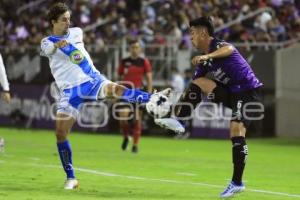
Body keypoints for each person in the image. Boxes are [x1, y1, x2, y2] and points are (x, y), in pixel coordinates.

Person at [41, 3, 167, 189]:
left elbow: (77, 53)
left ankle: (153, 99)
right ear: (53, 22)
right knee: (60, 133)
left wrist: (66, 45)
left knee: (115, 89)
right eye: (63, 20)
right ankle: (71, 178)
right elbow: (48, 50)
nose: (68, 22)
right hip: (70, 91)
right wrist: (56, 45)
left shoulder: (77, 32)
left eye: (69, 18)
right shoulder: (46, 41)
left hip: (91, 79)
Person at [155, 16, 263, 198]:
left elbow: (230, 49)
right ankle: (180, 120)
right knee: (199, 82)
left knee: (236, 130)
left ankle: (237, 182)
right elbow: (193, 86)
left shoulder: (219, 46)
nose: (190, 38)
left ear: (203, 33)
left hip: (247, 93)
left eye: (192, 33)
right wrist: (175, 109)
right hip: (231, 94)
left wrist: (207, 56)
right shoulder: (203, 62)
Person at [117, 39, 153, 153]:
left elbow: (149, 79)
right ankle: (126, 136)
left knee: (137, 119)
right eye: (133, 47)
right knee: (122, 118)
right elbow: (119, 78)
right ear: (129, 49)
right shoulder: (124, 61)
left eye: (137, 47)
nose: (135, 49)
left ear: (140, 49)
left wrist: (149, 94)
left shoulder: (144, 62)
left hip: (139, 93)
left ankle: (135, 145)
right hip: (125, 93)